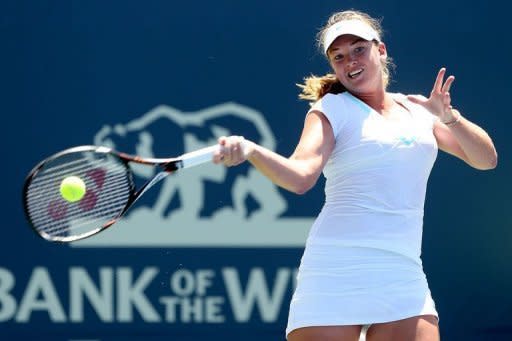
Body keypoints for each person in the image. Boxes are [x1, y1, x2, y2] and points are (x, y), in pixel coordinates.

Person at [213, 9, 497, 341]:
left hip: (402, 273)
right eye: (338, 57)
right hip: (335, 271)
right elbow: (301, 176)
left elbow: (485, 159)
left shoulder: (421, 111)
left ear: (381, 50)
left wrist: (449, 117)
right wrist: (251, 150)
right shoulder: (330, 110)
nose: (350, 61)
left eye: (358, 49)